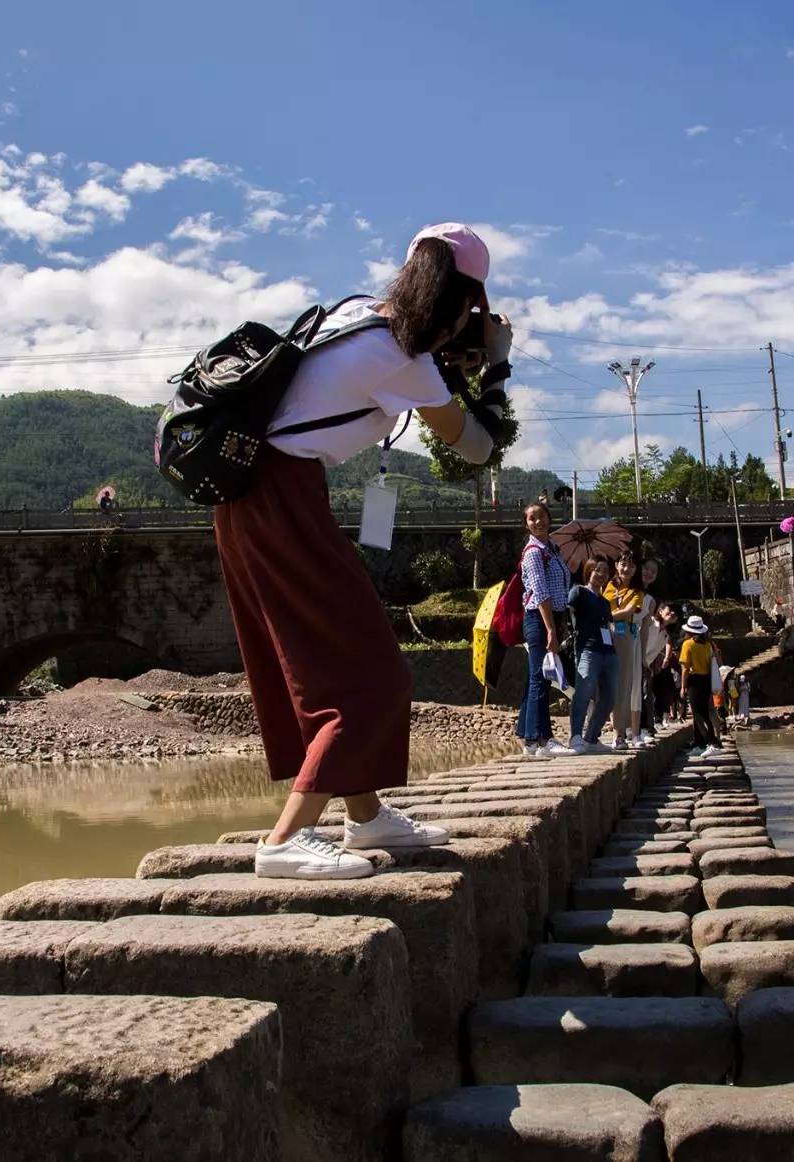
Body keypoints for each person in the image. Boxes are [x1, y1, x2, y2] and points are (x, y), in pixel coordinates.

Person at [216, 222, 513, 880]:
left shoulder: (353, 314)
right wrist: (497, 365)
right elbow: (477, 448)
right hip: (281, 495)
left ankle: (365, 815)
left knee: (329, 662)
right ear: (462, 303)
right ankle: (286, 840)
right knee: (373, 676)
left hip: (253, 490)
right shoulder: (400, 361)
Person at [516, 501, 574, 757]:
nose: (537, 522)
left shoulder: (553, 549)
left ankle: (528, 738)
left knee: (535, 677)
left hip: (552, 619)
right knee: (541, 677)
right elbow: (540, 593)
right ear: (526, 524)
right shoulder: (533, 552)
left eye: (541, 517)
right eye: (531, 519)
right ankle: (543, 739)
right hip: (539, 619)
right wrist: (551, 629)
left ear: (549, 519)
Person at [566, 557, 617, 753]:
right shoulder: (578, 591)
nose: (602, 574)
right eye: (597, 570)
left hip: (608, 652)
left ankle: (592, 738)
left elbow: (610, 625)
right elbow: (567, 611)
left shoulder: (605, 602)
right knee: (584, 692)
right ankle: (576, 736)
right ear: (588, 571)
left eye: (605, 571)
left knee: (610, 696)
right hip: (587, 649)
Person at [603, 550, 644, 750]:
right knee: (608, 684)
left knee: (624, 684)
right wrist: (611, 614)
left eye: (631, 565)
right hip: (606, 635)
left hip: (625, 635)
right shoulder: (608, 586)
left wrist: (612, 614)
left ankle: (620, 733)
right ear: (616, 565)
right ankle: (615, 730)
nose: (626, 568)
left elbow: (628, 612)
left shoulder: (637, 592)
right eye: (623, 563)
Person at [679, 615, 721, 758]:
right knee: (703, 711)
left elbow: (685, 668)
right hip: (707, 679)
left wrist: (683, 687)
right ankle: (700, 743)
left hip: (695, 680)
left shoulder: (687, 644)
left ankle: (712, 743)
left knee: (698, 714)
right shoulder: (708, 644)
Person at [636, 558, 663, 744]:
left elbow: (646, 627)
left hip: (638, 646)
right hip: (623, 640)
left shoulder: (651, 599)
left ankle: (641, 728)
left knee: (639, 688)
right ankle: (630, 729)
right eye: (646, 568)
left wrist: (644, 654)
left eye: (654, 571)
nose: (649, 573)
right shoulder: (628, 590)